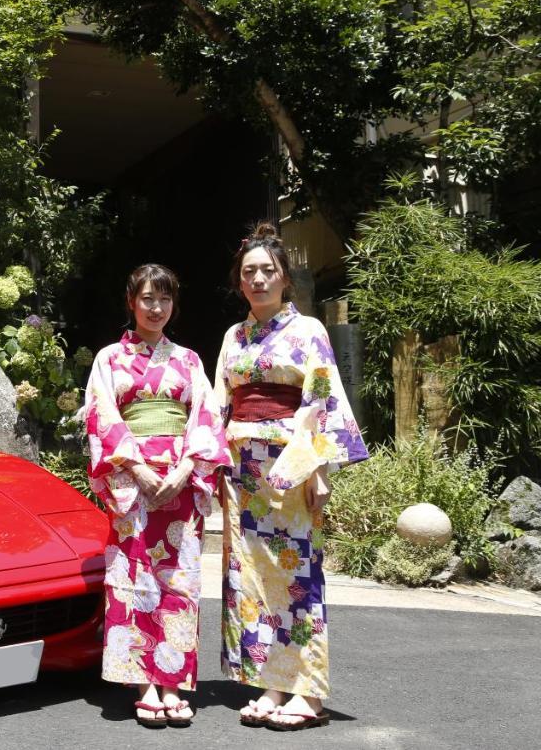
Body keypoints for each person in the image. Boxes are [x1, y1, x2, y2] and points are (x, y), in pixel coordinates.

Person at [214, 222, 368, 731]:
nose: (257, 279)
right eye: (249, 272)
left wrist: (315, 467)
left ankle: (308, 690)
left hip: (288, 464)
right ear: (239, 282)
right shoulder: (234, 337)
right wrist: (212, 462)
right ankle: (271, 683)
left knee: (297, 575)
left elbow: (322, 400)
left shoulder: (308, 332)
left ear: (285, 280)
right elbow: (219, 403)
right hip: (241, 468)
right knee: (250, 578)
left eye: (267, 270)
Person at [83, 263, 230, 728]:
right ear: (132, 302)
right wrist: (139, 468)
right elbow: (100, 416)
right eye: (147, 298)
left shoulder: (188, 360)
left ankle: (174, 680)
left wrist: (187, 467)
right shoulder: (109, 358)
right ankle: (144, 681)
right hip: (132, 481)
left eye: (164, 299)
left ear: (173, 305)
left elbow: (206, 417)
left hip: (181, 483)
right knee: (133, 578)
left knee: (180, 580)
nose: (156, 308)